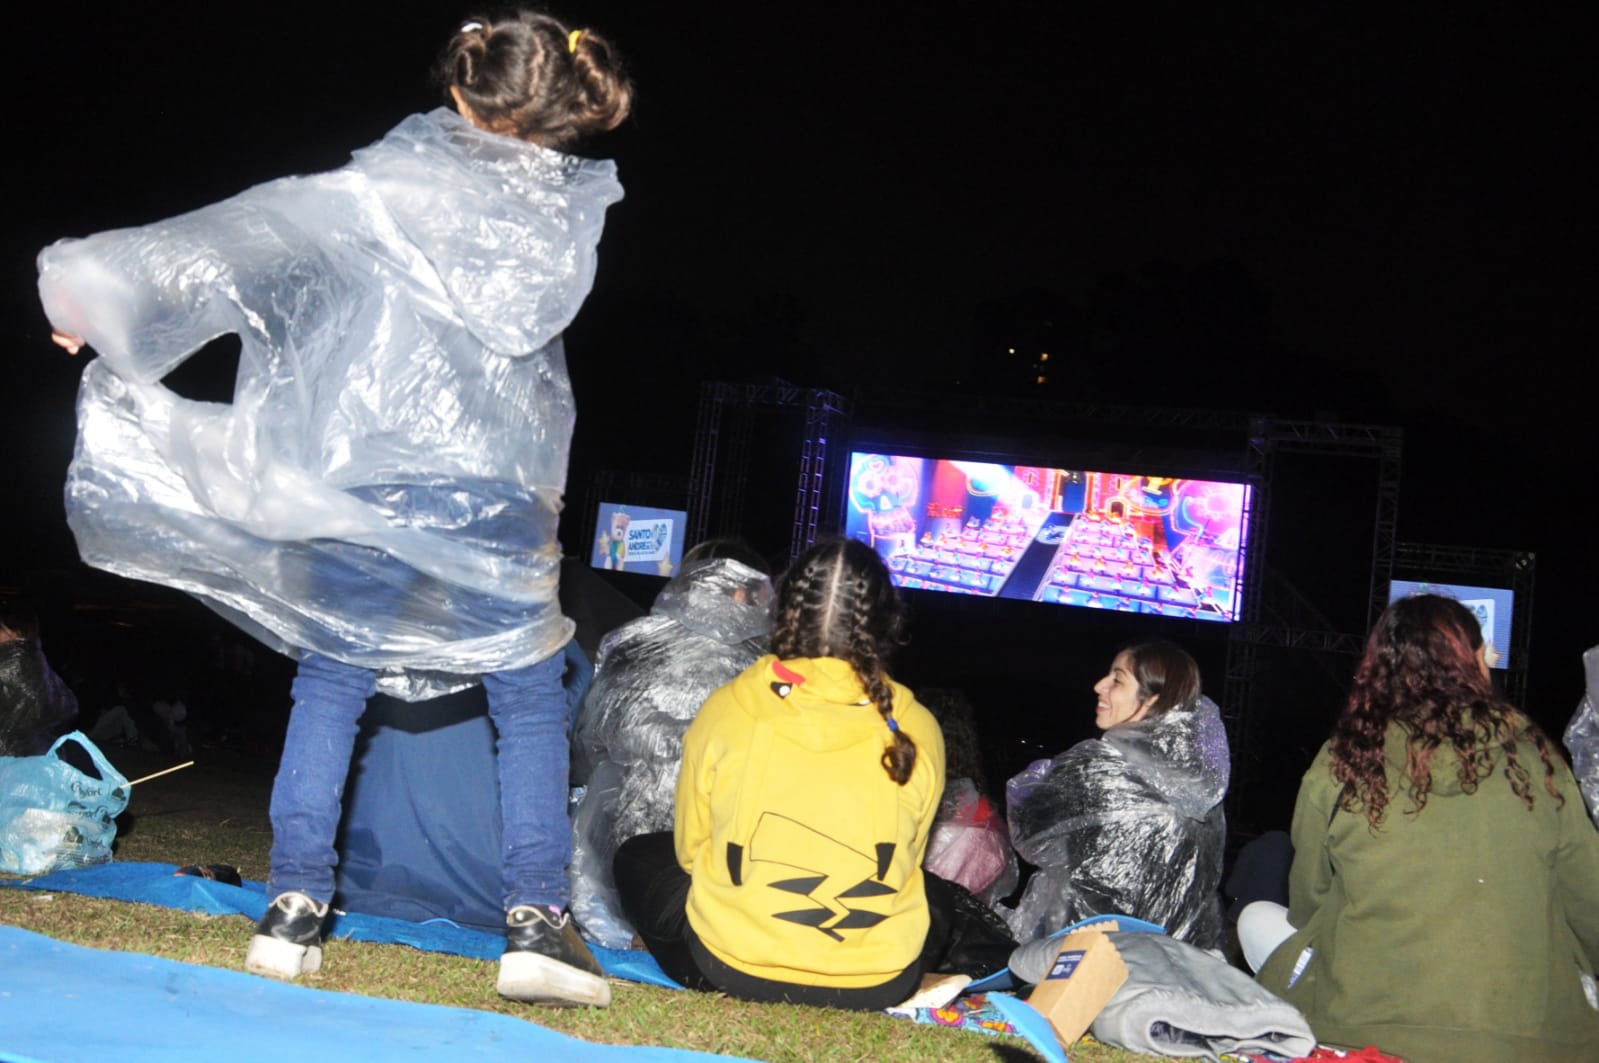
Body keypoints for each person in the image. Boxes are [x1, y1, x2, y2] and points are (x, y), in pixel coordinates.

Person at [38, 10, 632, 1007]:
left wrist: (91, 303)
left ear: (461, 84)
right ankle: (536, 921)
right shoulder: (559, 222)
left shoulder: (381, 190)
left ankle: (294, 908)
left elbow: (233, 243)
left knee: (332, 680)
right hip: (497, 499)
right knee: (528, 696)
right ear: (559, 109)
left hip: (368, 487)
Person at [1243, 595, 1599, 1063]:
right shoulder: (1535, 758)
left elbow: (1307, 901)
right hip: (1531, 1038)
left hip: (1361, 1027)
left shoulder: (1342, 760)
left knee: (1256, 918)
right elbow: (1588, 899)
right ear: (1475, 664)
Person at [613, 538, 947, 1009]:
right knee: (937, 896)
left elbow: (690, 851)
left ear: (783, 609)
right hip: (877, 981)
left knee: (637, 856)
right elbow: (908, 856)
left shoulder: (730, 706)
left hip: (730, 965)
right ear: (888, 622)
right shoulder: (917, 726)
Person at [568, 538, 774, 948]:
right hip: (710, 880)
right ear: (745, 593)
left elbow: (585, 746)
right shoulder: (772, 670)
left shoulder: (626, 642)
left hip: (609, 873)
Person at [1003, 640, 1229, 949]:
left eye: (1117, 679)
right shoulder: (1200, 785)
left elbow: (1026, 823)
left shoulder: (1096, 767)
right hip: (1172, 956)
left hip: (1088, 951)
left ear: (1152, 699)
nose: (1099, 686)